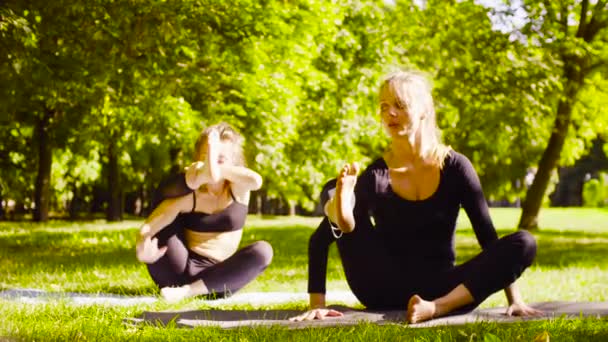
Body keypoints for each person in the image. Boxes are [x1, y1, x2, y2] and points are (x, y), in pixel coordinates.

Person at [291, 70, 541, 323]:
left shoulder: (456, 168)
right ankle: (342, 215)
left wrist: (515, 300)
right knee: (334, 187)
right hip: (381, 287)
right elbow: (319, 241)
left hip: (443, 289)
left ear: (423, 110)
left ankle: (437, 308)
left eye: (400, 105)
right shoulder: (376, 175)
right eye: (384, 106)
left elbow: (489, 240)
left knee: (524, 243)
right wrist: (317, 305)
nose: (390, 113)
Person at [135, 122, 273, 302]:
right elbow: (154, 222)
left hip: (218, 279)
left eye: (220, 158)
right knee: (164, 201)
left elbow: (256, 181)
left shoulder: (238, 188)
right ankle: (183, 289)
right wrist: (142, 244)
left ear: (234, 164)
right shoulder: (190, 195)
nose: (212, 162)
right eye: (206, 157)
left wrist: (215, 169)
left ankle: (188, 292)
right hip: (176, 272)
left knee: (263, 251)